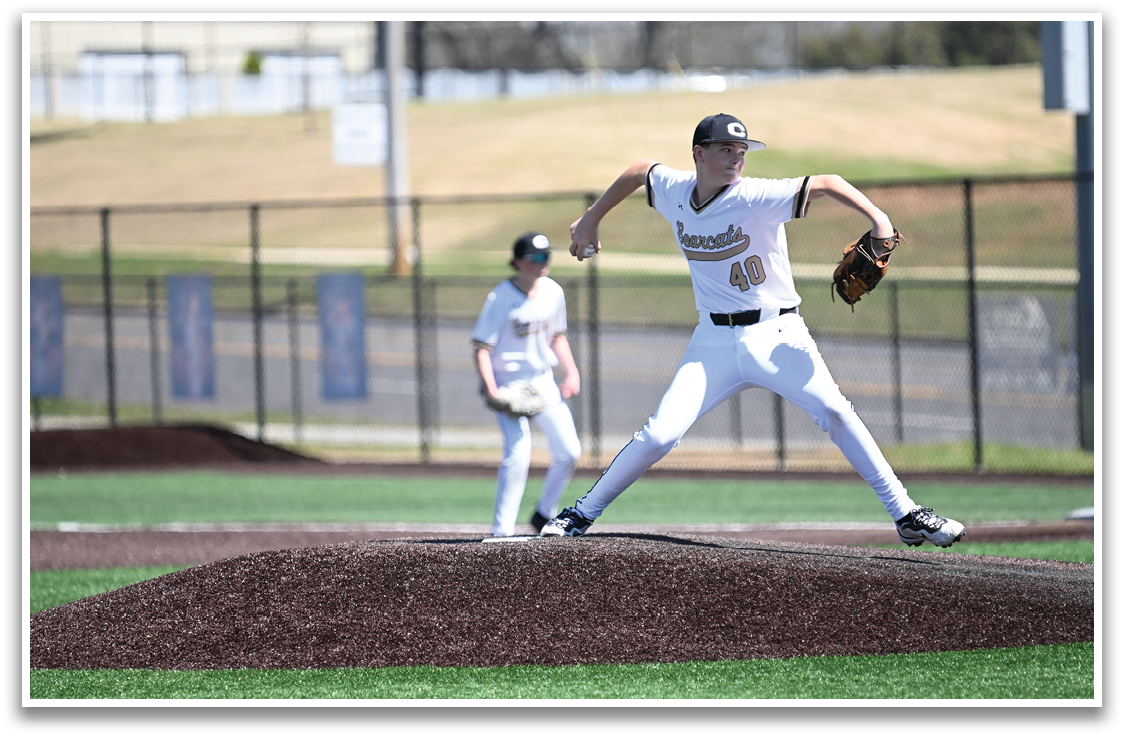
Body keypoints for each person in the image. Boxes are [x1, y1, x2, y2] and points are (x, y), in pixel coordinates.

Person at [539, 113, 966, 548]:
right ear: (698, 154)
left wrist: (879, 219)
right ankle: (580, 514)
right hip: (713, 341)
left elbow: (827, 182)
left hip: (778, 332)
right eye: (726, 150)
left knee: (836, 413)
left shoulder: (755, 195)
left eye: (741, 152)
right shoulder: (674, 192)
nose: (736, 159)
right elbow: (637, 171)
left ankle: (906, 513)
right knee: (660, 434)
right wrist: (591, 218)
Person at [473, 232, 583, 537]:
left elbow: (557, 336)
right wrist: (492, 389)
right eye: (535, 257)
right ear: (518, 262)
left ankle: (543, 515)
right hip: (508, 383)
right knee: (518, 453)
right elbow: (482, 348)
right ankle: (502, 531)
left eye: (546, 256)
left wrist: (571, 372)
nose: (542, 262)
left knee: (569, 451)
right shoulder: (500, 298)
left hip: (541, 380)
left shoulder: (553, 292)